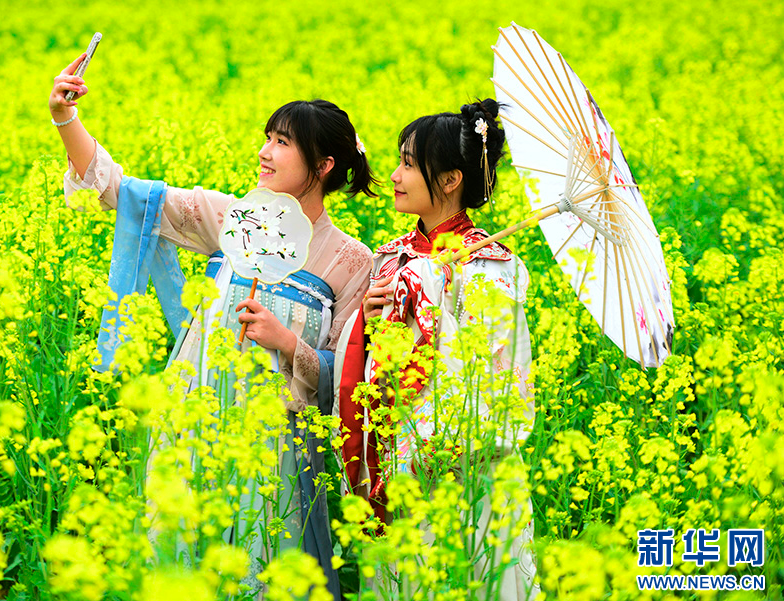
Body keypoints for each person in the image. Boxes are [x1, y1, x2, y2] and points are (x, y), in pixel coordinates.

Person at [49, 53, 376, 596]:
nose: (264, 152)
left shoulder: (352, 260)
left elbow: (347, 380)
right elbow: (126, 196)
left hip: (277, 450)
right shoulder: (232, 217)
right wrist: (66, 118)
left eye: (282, 142)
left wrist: (287, 341)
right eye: (267, 138)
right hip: (196, 425)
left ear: (323, 166)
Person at [336, 99, 540, 600]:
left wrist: (438, 292)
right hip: (394, 454)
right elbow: (366, 360)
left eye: (409, 164)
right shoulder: (390, 258)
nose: (394, 176)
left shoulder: (492, 266)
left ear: (450, 180)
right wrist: (371, 315)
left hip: (462, 460)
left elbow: (495, 368)